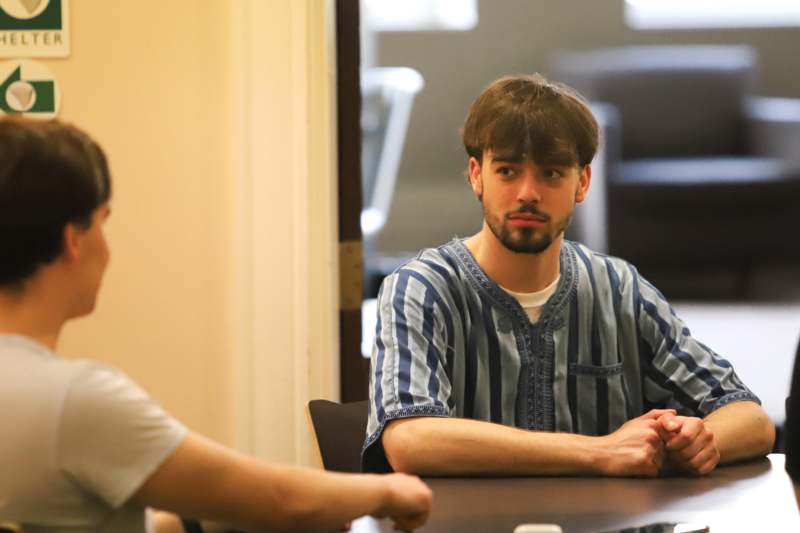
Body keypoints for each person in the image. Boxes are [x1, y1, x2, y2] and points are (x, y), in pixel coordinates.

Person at [0, 117, 432, 532]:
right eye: (102, 222)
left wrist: (208, 519)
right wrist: (389, 491)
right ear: (72, 240)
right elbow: (285, 502)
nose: (108, 248)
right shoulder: (75, 402)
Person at [363, 73, 775, 477]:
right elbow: (409, 440)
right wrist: (600, 451)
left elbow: (751, 418)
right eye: (507, 170)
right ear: (476, 175)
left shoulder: (619, 289)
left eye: (552, 173)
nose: (528, 192)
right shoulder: (419, 289)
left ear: (582, 182)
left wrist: (704, 439)